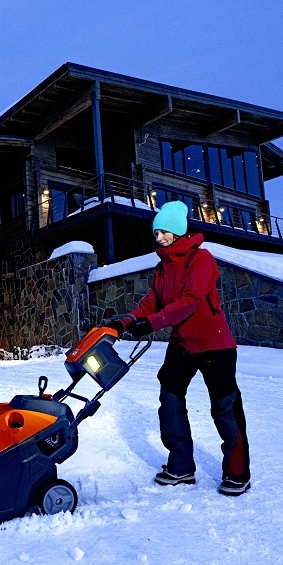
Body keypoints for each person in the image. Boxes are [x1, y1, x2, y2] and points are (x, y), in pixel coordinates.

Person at [108, 200, 251, 496]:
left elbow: (191, 300)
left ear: (178, 231)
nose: (159, 237)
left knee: (224, 408)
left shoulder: (201, 259)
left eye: (164, 231)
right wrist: (127, 321)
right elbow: (151, 303)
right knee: (170, 400)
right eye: (156, 232)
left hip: (215, 344)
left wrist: (151, 324)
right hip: (182, 344)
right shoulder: (162, 268)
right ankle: (181, 466)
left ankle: (238, 473)